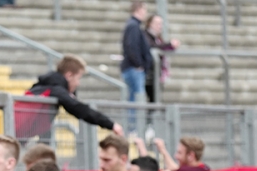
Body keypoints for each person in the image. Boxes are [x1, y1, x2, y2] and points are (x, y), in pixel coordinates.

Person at [16, 55, 123, 143]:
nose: (78, 83)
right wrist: (111, 124)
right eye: (78, 78)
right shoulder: (55, 90)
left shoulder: (44, 87)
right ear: (69, 75)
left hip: (19, 134)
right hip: (16, 134)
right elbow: (78, 108)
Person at [120, 0, 152, 128]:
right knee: (136, 99)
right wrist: (139, 64)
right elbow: (131, 46)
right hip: (134, 69)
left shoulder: (134, 25)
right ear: (139, 10)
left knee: (134, 98)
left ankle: (133, 127)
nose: (146, 13)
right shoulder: (133, 26)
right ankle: (133, 127)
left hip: (133, 67)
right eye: (144, 10)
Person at [143, 13, 178, 104]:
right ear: (150, 24)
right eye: (157, 23)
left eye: (161, 24)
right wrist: (169, 44)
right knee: (153, 100)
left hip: (157, 73)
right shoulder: (145, 35)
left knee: (156, 99)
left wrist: (171, 46)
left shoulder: (157, 37)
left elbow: (161, 48)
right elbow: (153, 47)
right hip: (149, 74)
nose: (160, 26)